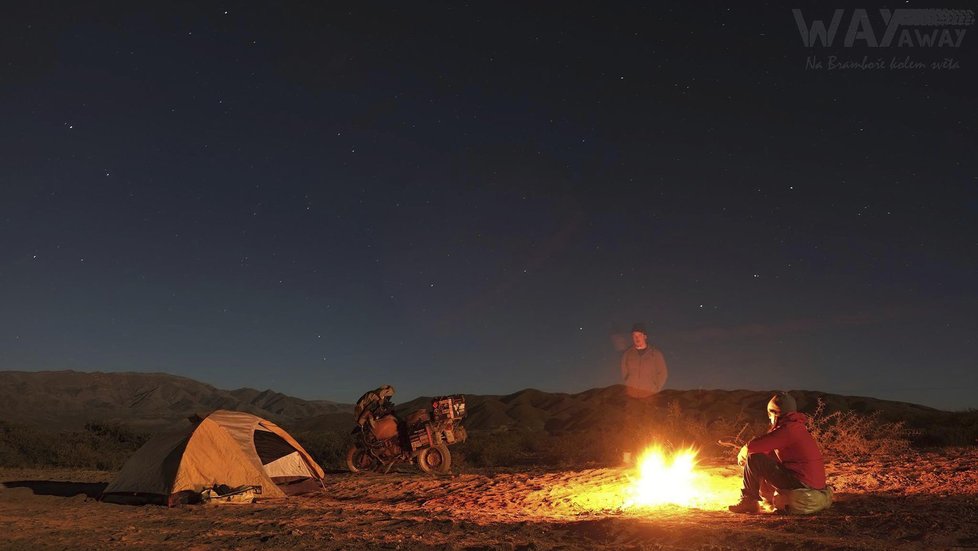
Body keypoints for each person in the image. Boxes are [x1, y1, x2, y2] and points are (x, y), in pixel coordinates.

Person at [728, 391, 827, 514]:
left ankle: (749, 501)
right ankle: (761, 498)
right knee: (765, 458)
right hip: (811, 482)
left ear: (775, 414)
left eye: (770, 414)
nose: (769, 418)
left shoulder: (788, 430)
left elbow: (753, 447)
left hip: (803, 483)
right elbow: (769, 450)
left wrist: (743, 452)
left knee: (754, 458)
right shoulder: (796, 427)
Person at [620, 322, 668, 399]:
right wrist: (628, 384)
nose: (637, 338)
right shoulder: (627, 354)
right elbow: (624, 372)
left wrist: (655, 389)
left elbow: (663, 373)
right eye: (634, 335)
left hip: (650, 396)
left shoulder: (655, 353)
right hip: (632, 397)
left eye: (639, 335)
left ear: (645, 336)